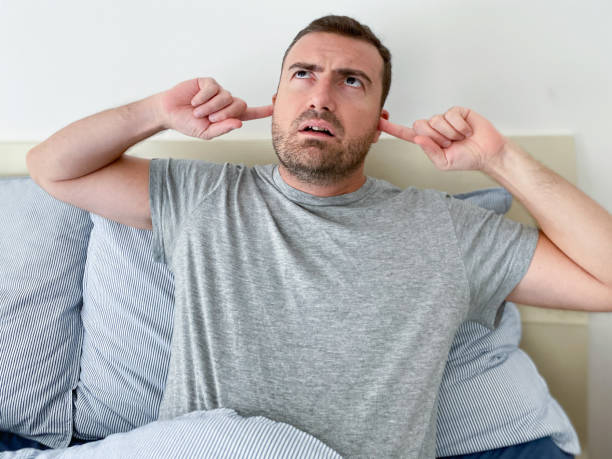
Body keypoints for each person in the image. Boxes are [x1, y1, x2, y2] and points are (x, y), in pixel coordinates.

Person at [26, 14, 611, 459]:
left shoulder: (446, 229)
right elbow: (53, 167)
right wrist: (155, 111)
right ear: (278, 100)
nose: (321, 96)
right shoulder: (205, 196)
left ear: (382, 120)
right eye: (302, 75)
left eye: (351, 82)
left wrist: (502, 160)